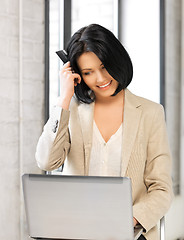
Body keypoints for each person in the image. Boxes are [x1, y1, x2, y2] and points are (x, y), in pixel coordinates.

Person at [35, 24, 173, 240]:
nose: (100, 79)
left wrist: (129, 219)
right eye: (88, 72)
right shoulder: (70, 111)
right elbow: (46, 161)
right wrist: (64, 99)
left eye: (104, 67)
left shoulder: (150, 113)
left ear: (117, 61)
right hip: (76, 231)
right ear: (77, 74)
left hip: (128, 233)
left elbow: (161, 189)